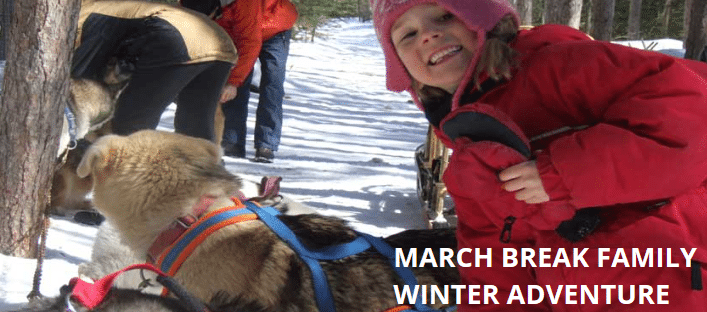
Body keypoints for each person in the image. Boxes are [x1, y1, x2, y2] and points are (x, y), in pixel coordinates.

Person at [371, 0, 707, 310]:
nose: (429, 35)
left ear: (483, 19)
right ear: (401, 68)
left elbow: (691, 119)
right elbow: (495, 272)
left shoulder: (563, 66)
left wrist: (563, 174)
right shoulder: (470, 156)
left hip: (679, 280)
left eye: (444, 15)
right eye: (408, 35)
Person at [71, 0, 237, 143]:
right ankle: (203, 173)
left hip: (179, 38)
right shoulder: (101, 8)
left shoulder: (79, 16)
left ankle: (124, 174)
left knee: (131, 122)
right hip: (219, 42)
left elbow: (80, 76)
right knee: (194, 130)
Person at [182, 0, 298, 163]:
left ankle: (266, 143)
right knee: (236, 83)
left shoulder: (245, 3)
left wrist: (233, 82)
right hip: (240, 28)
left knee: (272, 85)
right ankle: (233, 142)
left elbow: (250, 42)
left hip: (274, 27)